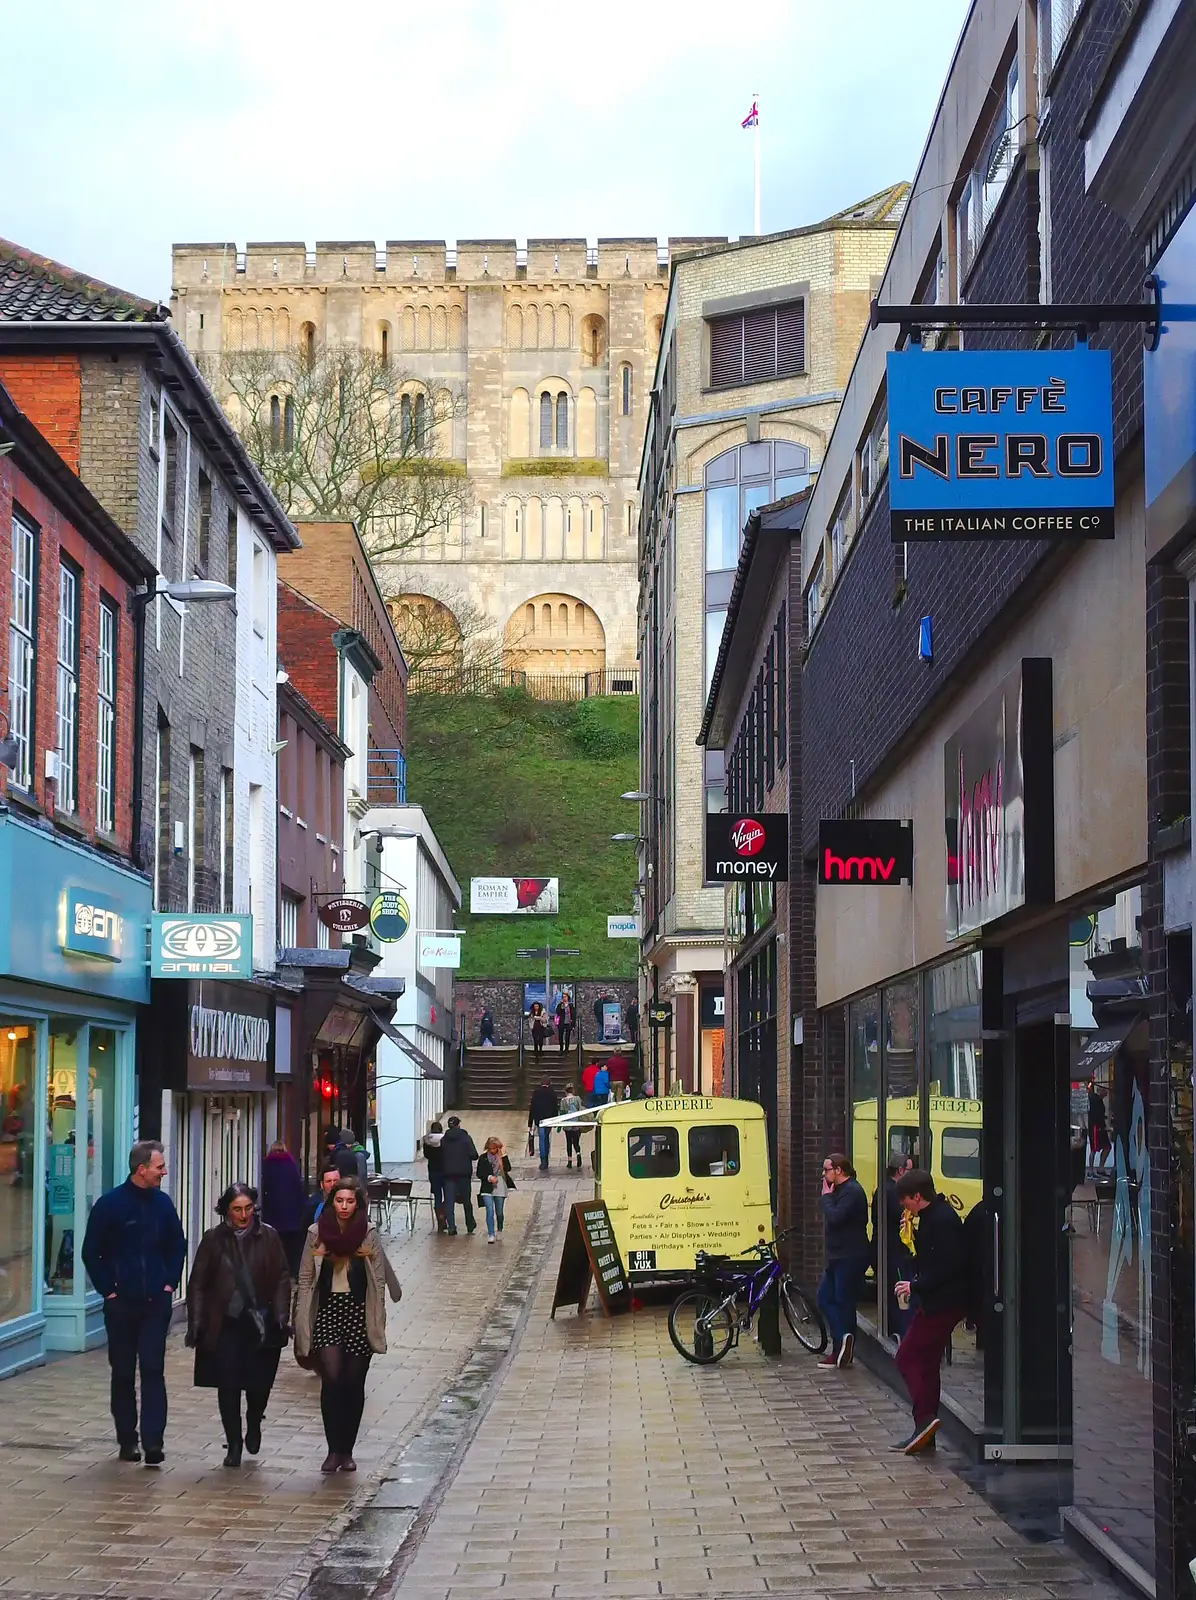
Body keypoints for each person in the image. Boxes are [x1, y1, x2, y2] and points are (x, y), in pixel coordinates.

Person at [80, 1140, 187, 1466]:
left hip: (156, 1301)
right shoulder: (110, 1205)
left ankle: (154, 1441)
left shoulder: (163, 1204)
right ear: (142, 1169)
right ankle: (128, 1439)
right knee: (123, 1372)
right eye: (159, 1167)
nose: (164, 1171)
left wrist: (170, 1283)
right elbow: (90, 1252)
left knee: (154, 1369)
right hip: (121, 1303)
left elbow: (177, 1245)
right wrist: (108, 1291)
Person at [295, 1176, 401, 1473]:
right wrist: (302, 1317)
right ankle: (332, 1449)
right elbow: (305, 1278)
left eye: (350, 1201)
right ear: (332, 1202)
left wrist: (377, 1316)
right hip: (327, 1310)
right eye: (339, 1201)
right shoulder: (316, 1233)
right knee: (332, 1378)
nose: (344, 1206)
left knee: (354, 1382)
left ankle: (347, 1450)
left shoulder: (367, 1233)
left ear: (358, 1204)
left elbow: (377, 1279)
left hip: (357, 1310)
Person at [185, 1182, 292, 1467]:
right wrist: (196, 1322)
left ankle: (254, 1420)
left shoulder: (268, 1237)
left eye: (248, 1209)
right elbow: (198, 1282)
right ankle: (233, 1442)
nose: (243, 1215)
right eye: (237, 1209)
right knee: (228, 1385)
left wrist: (282, 1316)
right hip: (226, 1322)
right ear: (226, 1211)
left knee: (258, 1385)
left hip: (260, 1321)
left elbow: (282, 1278)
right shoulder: (213, 1240)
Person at [892, 1168, 973, 1455]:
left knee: (907, 1357)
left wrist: (916, 1285)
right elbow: (927, 1259)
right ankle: (925, 1431)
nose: (904, 1205)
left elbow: (949, 1266)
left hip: (943, 1302)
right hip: (938, 1300)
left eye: (906, 1200)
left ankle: (924, 1421)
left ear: (917, 1196)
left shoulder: (941, 1221)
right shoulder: (929, 1218)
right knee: (926, 1362)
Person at [815, 1153, 870, 1371]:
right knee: (825, 1298)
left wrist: (826, 1198)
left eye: (826, 1169)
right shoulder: (839, 1191)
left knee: (842, 1300)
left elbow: (836, 1217)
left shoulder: (853, 1191)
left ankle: (842, 1347)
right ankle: (843, 1342)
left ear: (838, 1170)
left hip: (850, 1255)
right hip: (837, 1255)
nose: (823, 1174)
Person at [872, 1153, 913, 1339]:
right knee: (897, 1292)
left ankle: (893, 1330)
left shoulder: (884, 1189)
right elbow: (902, 1217)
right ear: (901, 1170)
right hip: (892, 1251)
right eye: (911, 1170)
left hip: (885, 1249)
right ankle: (899, 1332)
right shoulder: (893, 1192)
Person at [261, 1141, 307, 1277]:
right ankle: (291, 1272)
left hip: (273, 1213)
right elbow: (298, 1187)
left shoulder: (266, 1165)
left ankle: (276, 1271)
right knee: (291, 1246)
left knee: (275, 1243)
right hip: (291, 1213)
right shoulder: (292, 1165)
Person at [439, 1116, 478, 1235]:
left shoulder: (444, 1140)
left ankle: (451, 1227)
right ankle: (469, 1224)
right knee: (466, 1200)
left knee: (449, 1201)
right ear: (458, 1125)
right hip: (463, 1174)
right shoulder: (466, 1138)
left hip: (448, 1174)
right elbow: (474, 1154)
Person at [476, 1137, 516, 1242]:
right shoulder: (483, 1158)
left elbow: (508, 1168)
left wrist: (504, 1155)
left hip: (500, 1186)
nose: (493, 1151)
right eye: (490, 1149)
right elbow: (479, 1173)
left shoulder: (501, 1157)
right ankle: (491, 1233)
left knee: (499, 1212)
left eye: (495, 1149)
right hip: (487, 1187)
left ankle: (499, 1229)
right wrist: (489, 1177)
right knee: (489, 1210)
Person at [529, 1078, 560, 1171]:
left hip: (540, 1120)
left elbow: (532, 1107)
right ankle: (546, 1156)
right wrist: (555, 1120)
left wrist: (530, 1122)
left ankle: (543, 1161)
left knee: (542, 1139)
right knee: (547, 1138)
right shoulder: (552, 1093)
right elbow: (555, 1107)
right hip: (549, 1120)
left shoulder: (536, 1093)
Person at [302, 1162, 342, 1232]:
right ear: (321, 1184)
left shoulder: (350, 1201)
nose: (332, 1184)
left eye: (335, 1180)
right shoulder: (313, 1205)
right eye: (328, 1181)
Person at [423, 1120, 447, 1233]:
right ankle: (444, 1214)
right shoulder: (445, 1140)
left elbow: (426, 1155)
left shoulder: (427, 1140)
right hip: (445, 1170)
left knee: (437, 1195)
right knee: (448, 1195)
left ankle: (439, 1218)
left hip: (433, 1170)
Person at [560, 1085, 583, 1168]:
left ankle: (569, 1161)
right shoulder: (577, 1099)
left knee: (569, 1142)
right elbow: (580, 1109)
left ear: (565, 1092)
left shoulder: (563, 1101)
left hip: (567, 1124)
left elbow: (562, 1112)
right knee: (576, 1141)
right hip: (576, 1123)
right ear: (573, 1091)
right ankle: (578, 1154)